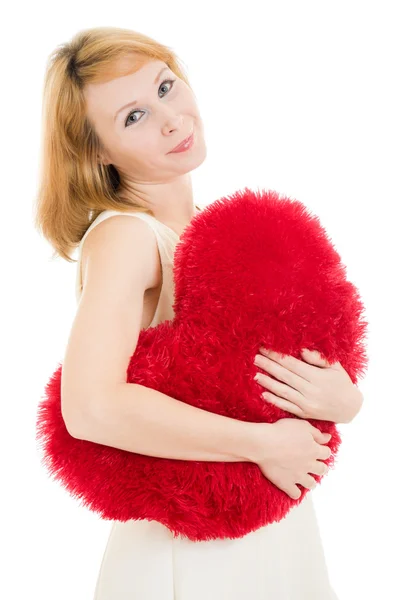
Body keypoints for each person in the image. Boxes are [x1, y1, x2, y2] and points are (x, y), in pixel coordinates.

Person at [34, 26, 339, 600]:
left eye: (167, 87)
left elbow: (266, 373)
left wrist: (343, 400)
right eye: (133, 116)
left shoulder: (208, 230)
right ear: (95, 152)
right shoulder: (128, 237)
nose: (172, 118)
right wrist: (263, 444)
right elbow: (91, 408)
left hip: (268, 519)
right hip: (193, 545)